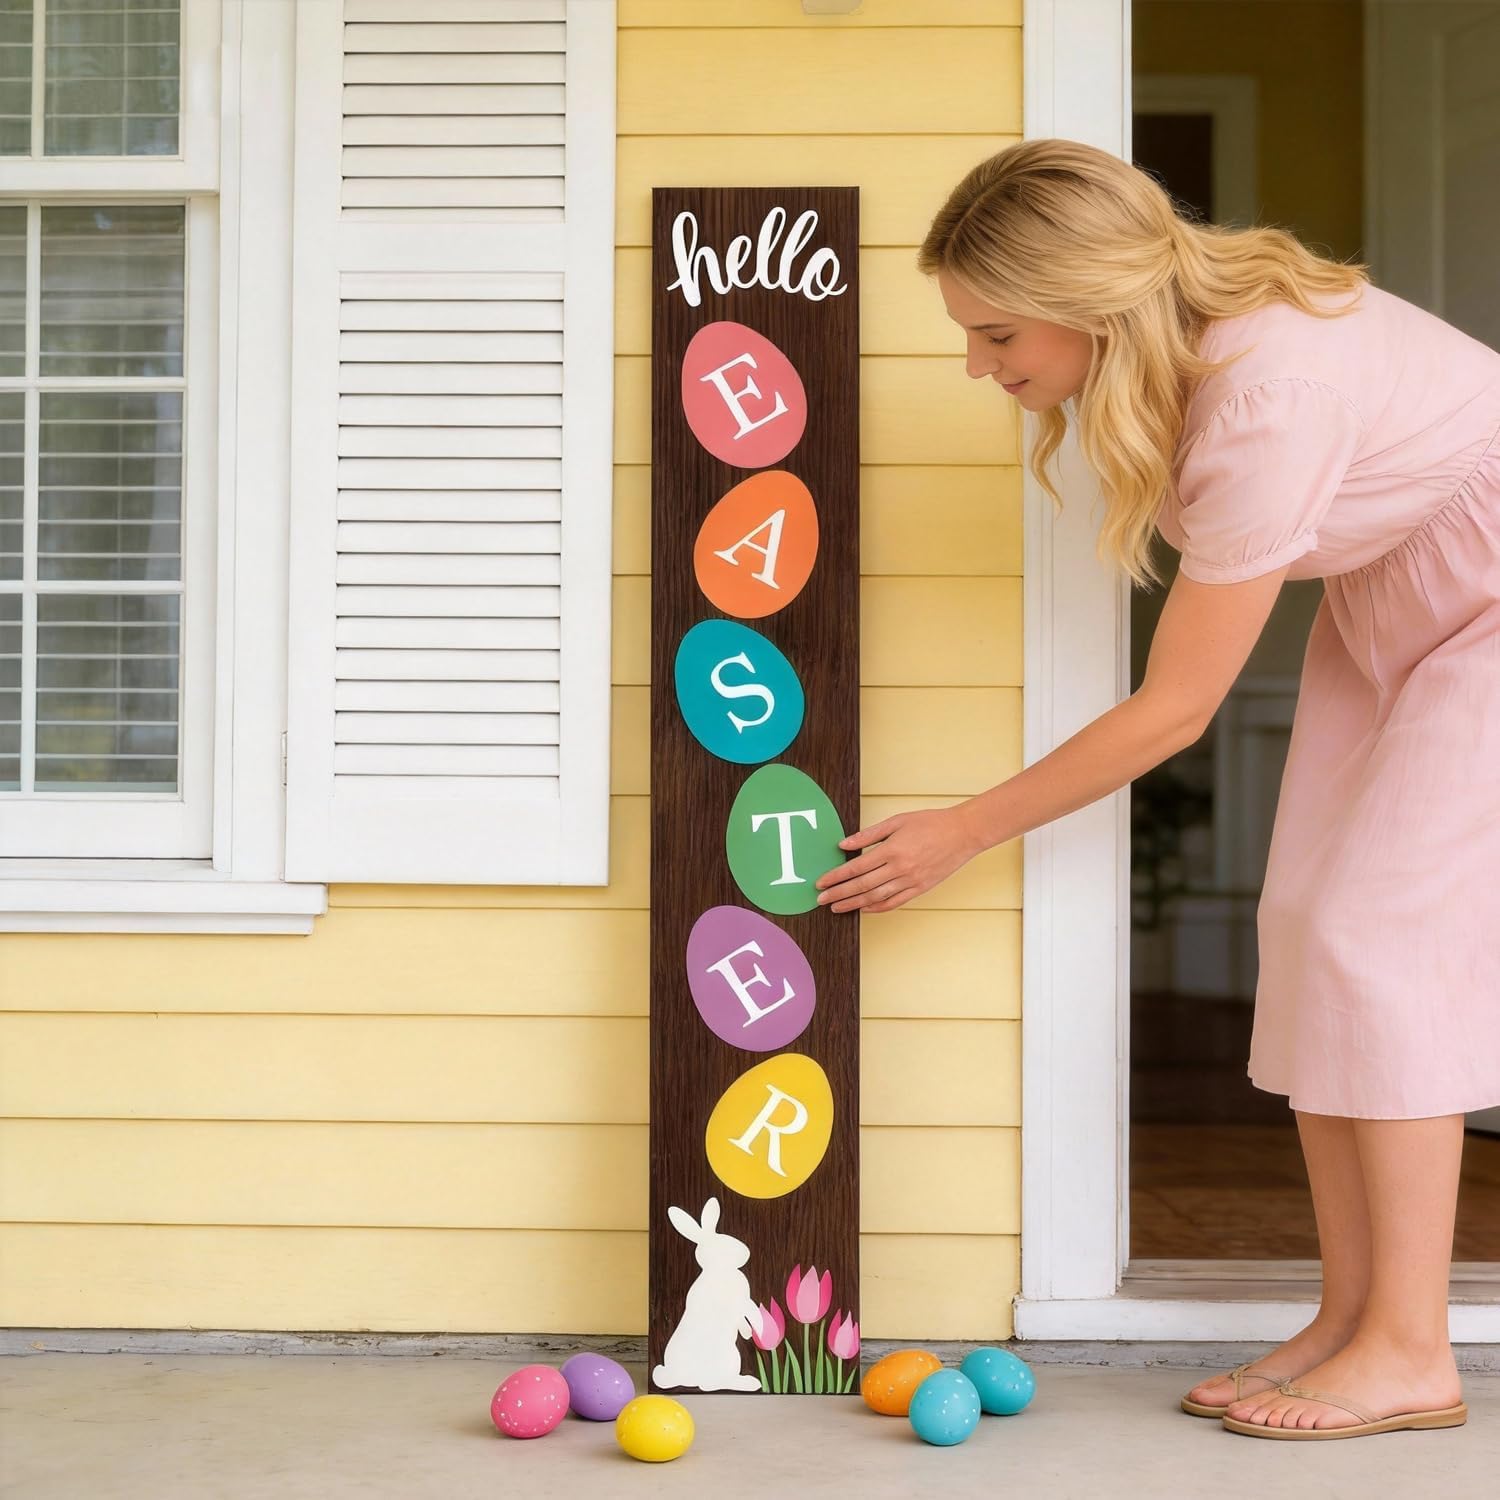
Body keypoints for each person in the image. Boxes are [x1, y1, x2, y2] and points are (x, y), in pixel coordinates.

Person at [813, 138, 1500, 1441]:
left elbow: (1174, 709)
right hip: (1405, 602)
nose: (979, 364)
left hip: (1487, 611)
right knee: (1309, 929)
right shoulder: (1204, 350)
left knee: (1382, 945)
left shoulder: (1266, 394)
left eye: (995, 332)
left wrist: (962, 830)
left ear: (1090, 307)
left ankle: (1414, 1347)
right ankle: (1354, 1316)